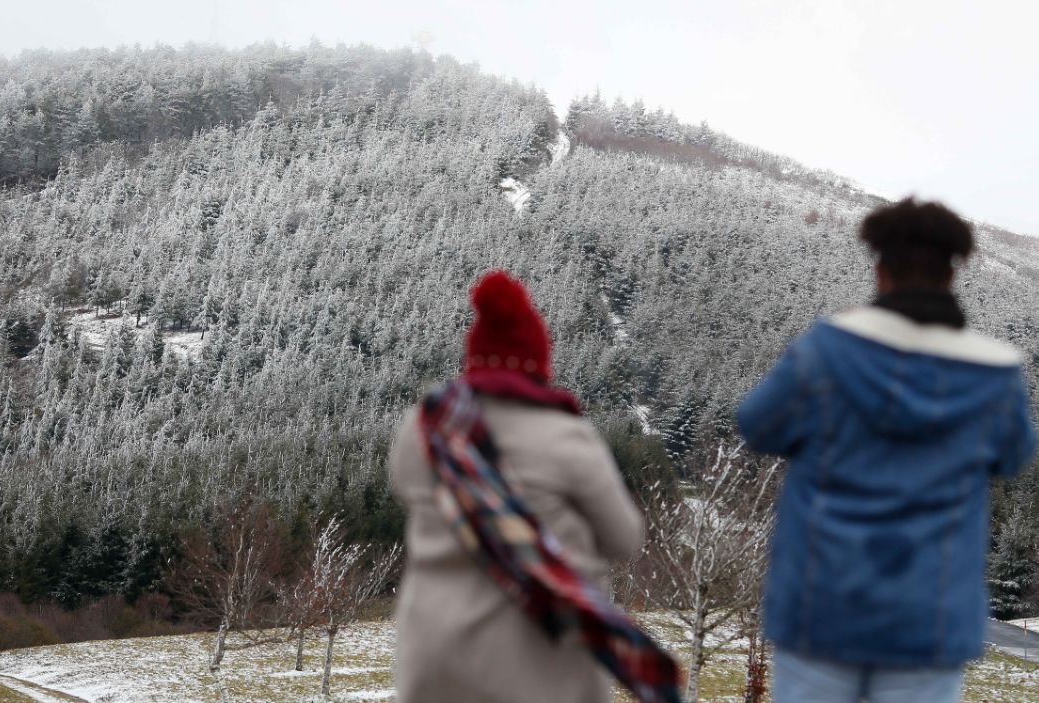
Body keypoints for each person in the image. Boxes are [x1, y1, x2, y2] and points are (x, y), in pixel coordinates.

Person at [738, 198, 1037, 703]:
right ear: (952, 272)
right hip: (931, 615)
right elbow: (1014, 457)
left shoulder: (825, 352)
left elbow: (758, 427)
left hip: (820, 605)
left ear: (878, 269)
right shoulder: (995, 375)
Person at [389, 270, 680, 703]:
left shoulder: (424, 430)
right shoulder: (567, 437)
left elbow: (402, 484)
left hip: (434, 662)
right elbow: (624, 539)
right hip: (542, 671)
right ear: (539, 365)